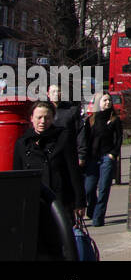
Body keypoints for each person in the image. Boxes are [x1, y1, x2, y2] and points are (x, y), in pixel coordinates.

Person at [13, 100, 86, 257]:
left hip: (60, 202)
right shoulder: (22, 144)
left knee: (63, 247)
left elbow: (73, 171)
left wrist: (80, 202)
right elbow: (17, 177)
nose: (42, 122)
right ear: (31, 118)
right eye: (39, 117)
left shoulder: (63, 138)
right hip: (33, 205)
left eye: (47, 117)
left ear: (53, 118)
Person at [79, 93, 122, 226]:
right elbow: (85, 140)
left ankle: (98, 218)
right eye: (105, 100)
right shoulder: (91, 120)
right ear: (99, 102)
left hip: (107, 158)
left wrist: (113, 154)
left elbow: (119, 139)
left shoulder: (115, 119)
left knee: (104, 188)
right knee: (89, 189)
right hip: (92, 159)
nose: (108, 103)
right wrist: (83, 156)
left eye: (109, 100)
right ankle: (92, 209)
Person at [47, 84, 86, 174]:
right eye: (53, 91)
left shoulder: (72, 110)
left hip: (68, 153)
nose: (56, 94)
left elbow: (80, 132)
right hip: (50, 154)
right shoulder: (44, 110)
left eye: (58, 91)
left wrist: (81, 154)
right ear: (48, 94)